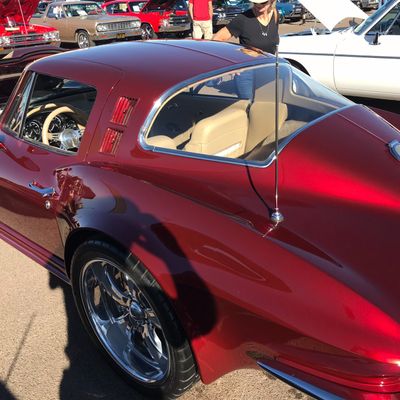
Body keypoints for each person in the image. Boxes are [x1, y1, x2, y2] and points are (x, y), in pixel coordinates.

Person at [213, 0, 279, 99]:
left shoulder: (275, 14)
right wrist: (230, 62)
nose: (258, 5)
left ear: (271, 1)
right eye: (256, 2)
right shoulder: (243, 19)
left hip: (269, 70)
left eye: (263, 2)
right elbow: (217, 39)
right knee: (247, 105)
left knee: (266, 104)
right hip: (246, 73)